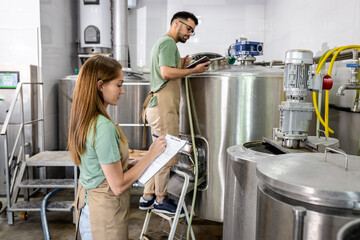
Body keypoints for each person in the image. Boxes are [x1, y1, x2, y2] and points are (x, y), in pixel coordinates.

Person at [68, 55, 166, 240]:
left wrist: (127, 164)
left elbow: (98, 167)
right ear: (100, 86)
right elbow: (118, 185)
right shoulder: (103, 126)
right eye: (119, 85)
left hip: (90, 209)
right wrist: (151, 154)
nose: (123, 91)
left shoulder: (86, 119)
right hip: (103, 218)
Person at [140, 11, 210, 214]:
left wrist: (183, 64)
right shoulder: (168, 43)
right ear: (176, 24)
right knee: (165, 151)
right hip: (162, 106)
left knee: (156, 152)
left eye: (192, 31)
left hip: (159, 106)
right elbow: (166, 73)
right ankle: (161, 199)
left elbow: (169, 69)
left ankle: (147, 196)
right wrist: (193, 71)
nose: (190, 34)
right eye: (189, 29)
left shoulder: (165, 44)